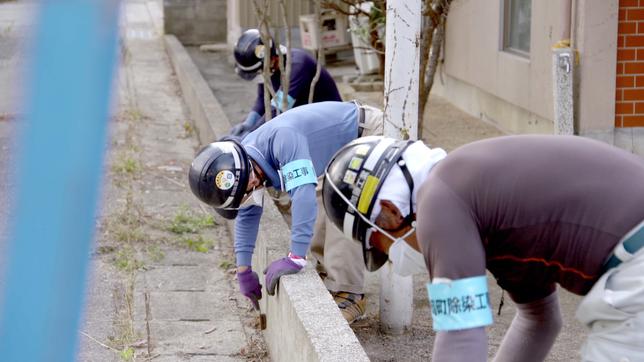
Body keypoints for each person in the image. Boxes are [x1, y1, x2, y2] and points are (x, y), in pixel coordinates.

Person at [322, 134, 644, 361]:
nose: (396, 259)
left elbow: (460, 339)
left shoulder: (438, 198)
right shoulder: (487, 209)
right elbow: (539, 320)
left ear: (391, 212)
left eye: (385, 247)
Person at [188, 101, 383, 323]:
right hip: (338, 152)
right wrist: (243, 269)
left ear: (250, 177)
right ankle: (330, 278)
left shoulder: (283, 138)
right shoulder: (248, 160)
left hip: (369, 133)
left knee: (341, 201)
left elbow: (302, 193)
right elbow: (248, 211)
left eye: (245, 191)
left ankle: (350, 294)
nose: (249, 193)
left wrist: (296, 257)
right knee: (322, 199)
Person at [230, 29, 342, 138]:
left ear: (272, 59)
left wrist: (252, 134)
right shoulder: (269, 68)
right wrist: (248, 123)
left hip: (329, 123)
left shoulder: (297, 65)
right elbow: (263, 99)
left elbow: (278, 107)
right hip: (304, 119)